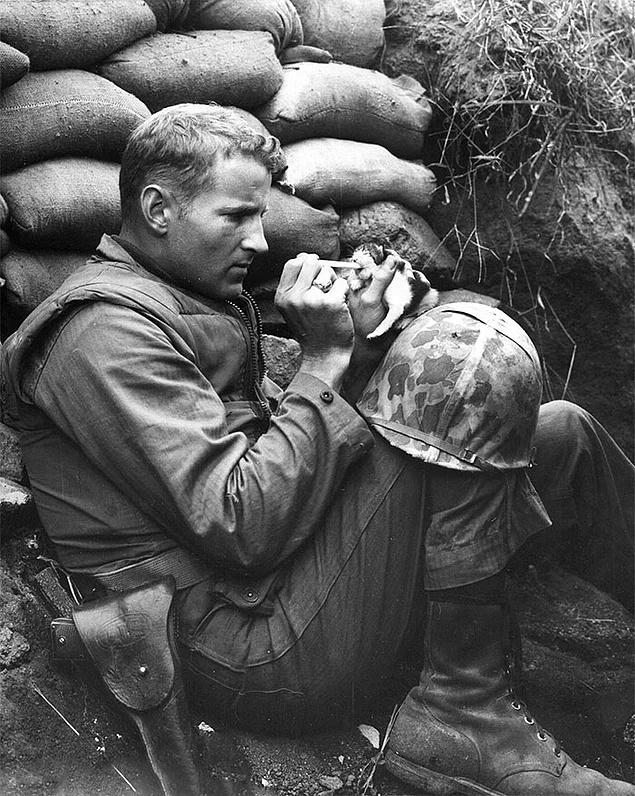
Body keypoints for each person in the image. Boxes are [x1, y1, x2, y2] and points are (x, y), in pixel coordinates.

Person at [1, 103, 633, 796]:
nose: (258, 239)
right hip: (243, 646)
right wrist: (325, 361)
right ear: (157, 209)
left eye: (259, 215)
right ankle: (463, 714)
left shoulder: (180, 301)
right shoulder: (101, 334)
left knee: (562, 434)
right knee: (462, 364)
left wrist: (360, 352)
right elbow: (241, 526)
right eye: (235, 216)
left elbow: (289, 467)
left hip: (282, 585)